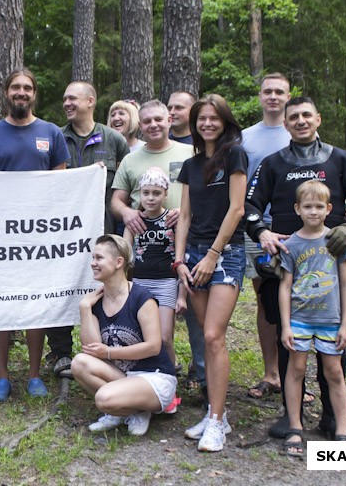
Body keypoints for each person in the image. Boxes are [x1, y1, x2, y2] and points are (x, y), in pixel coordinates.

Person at [244, 96, 346, 439]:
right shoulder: (273, 163)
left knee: (334, 344)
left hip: (333, 263)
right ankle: (292, 418)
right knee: (289, 341)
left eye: (307, 115)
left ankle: (333, 418)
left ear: (318, 119)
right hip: (288, 262)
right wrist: (262, 233)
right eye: (294, 117)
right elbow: (250, 206)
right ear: (286, 124)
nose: (301, 121)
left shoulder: (340, 159)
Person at [0, 68, 71, 401]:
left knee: (35, 305)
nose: (21, 92)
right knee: (1, 305)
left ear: (34, 94)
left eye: (27, 87)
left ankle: (33, 375)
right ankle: (1, 377)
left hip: (37, 237)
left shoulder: (51, 132)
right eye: (16, 87)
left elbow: (63, 184)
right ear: (6, 92)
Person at [110, 100, 206, 405]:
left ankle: (203, 376)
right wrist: (127, 214)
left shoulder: (188, 152)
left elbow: (206, 192)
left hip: (191, 240)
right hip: (146, 254)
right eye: (147, 120)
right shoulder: (131, 158)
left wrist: (186, 213)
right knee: (153, 329)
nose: (153, 125)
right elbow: (117, 201)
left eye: (158, 120)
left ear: (170, 119)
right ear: (141, 123)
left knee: (197, 316)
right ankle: (160, 377)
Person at [175, 94, 247, 452]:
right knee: (205, 336)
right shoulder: (190, 164)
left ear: (225, 121)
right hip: (194, 255)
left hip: (226, 254)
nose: (207, 124)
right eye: (201, 118)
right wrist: (180, 260)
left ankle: (217, 422)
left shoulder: (235, 154)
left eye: (213, 118)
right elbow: (184, 216)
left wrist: (213, 254)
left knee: (215, 336)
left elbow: (237, 209)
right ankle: (214, 412)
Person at [47, 81, 131, 380]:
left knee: (102, 289)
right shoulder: (55, 137)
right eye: (65, 98)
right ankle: (59, 352)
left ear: (90, 101)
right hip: (61, 234)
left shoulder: (114, 140)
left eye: (73, 98)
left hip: (103, 233)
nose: (67, 103)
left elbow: (125, 188)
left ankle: (101, 351)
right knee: (59, 288)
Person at [71, 235, 178, 436]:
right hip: (125, 376)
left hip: (154, 377)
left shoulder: (141, 297)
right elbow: (92, 348)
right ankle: (125, 411)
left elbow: (154, 346)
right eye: (93, 258)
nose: (93, 263)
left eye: (99, 258)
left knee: (103, 399)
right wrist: (85, 308)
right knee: (79, 363)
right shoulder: (96, 301)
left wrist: (109, 352)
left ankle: (138, 410)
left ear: (119, 262)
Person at [279, 181, 346, 457]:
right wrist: (286, 325)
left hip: (330, 320)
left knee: (334, 372)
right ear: (298, 209)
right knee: (296, 370)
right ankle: (295, 427)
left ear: (329, 209)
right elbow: (285, 286)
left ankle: (342, 430)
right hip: (299, 319)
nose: (313, 212)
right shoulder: (292, 244)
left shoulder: (335, 241)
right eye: (308, 207)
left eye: (319, 207)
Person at [242, 74, 291, 400]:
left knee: (299, 303)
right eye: (267, 91)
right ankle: (271, 373)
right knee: (266, 302)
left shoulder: (299, 132)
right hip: (256, 230)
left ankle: (294, 376)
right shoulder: (245, 138)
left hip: (295, 229)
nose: (273, 96)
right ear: (259, 96)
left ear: (288, 96)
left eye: (279, 92)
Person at [123, 167, 182, 379]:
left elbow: (181, 255)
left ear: (165, 194)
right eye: (146, 193)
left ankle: (171, 372)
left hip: (166, 282)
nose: (150, 198)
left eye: (156, 193)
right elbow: (124, 254)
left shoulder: (173, 219)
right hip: (140, 283)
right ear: (139, 193)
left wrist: (182, 293)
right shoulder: (134, 221)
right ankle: (145, 373)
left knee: (165, 336)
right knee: (142, 334)